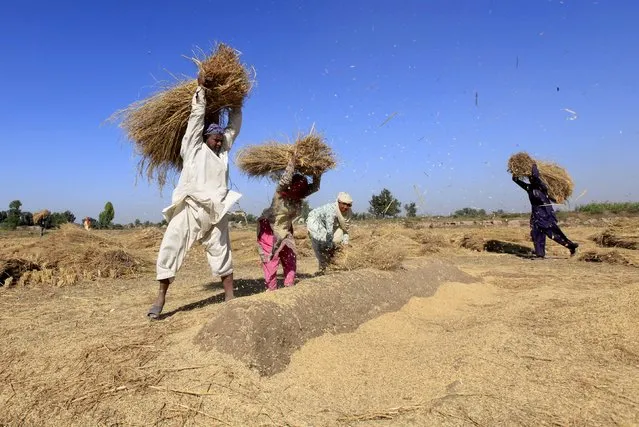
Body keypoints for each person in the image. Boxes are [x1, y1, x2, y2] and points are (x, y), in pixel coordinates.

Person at [147, 77, 243, 319]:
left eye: (221, 138)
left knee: (223, 253)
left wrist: (237, 106)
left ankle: (230, 298)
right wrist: (200, 92)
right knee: (171, 248)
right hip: (189, 209)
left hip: (215, 212)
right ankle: (161, 297)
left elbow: (233, 129)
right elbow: (195, 121)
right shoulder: (193, 149)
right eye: (215, 137)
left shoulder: (223, 154)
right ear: (205, 137)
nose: (219, 140)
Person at [256, 153, 321, 291]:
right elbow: (285, 180)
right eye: (297, 191)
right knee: (271, 260)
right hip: (269, 228)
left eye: (301, 193)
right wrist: (292, 162)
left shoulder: (299, 195)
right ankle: (271, 290)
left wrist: (318, 172)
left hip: (285, 229)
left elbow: (315, 187)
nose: (299, 195)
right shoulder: (281, 192)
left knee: (290, 257)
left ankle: (288, 287)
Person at [513, 163, 578, 258]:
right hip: (535, 214)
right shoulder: (529, 188)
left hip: (545, 214)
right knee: (536, 233)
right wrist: (515, 171)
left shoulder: (542, 187)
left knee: (553, 233)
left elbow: (535, 176)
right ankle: (540, 254)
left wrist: (533, 165)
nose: (531, 179)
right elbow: (516, 180)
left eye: (531, 178)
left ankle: (571, 246)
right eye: (530, 178)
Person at [306, 192, 353, 274]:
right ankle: (323, 268)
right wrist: (330, 245)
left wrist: (345, 244)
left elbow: (345, 230)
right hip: (315, 221)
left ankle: (330, 263)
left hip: (329, 226)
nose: (346, 207)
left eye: (348, 205)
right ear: (338, 202)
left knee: (338, 239)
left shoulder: (348, 213)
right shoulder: (331, 210)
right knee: (322, 243)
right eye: (344, 204)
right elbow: (329, 230)